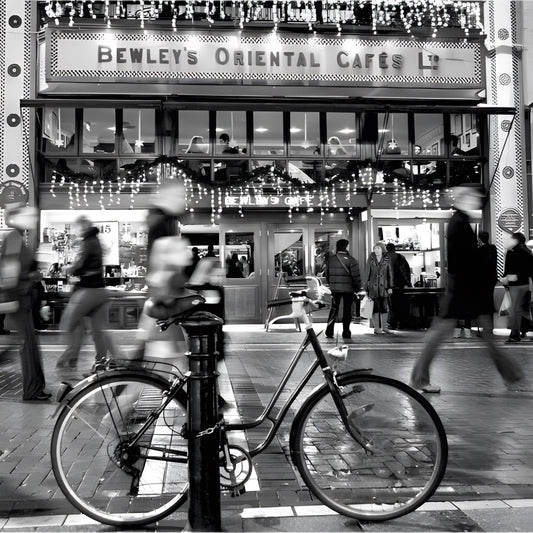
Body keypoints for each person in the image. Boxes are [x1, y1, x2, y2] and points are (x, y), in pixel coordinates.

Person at [410, 185, 524, 393]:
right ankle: (420, 378)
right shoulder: (459, 223)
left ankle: (512, 376)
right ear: (463, 199)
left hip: (465, 291)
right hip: (464, 291)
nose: (477, 201)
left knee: (451, 335)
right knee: (452, 335)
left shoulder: (460, 222)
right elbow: (464, 261)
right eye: (473, 197)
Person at [55, 215, 117, 371]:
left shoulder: (88, 242)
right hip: (101, 291)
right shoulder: (96, 240)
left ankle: (71, 356)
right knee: (99, 331)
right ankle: (101, 362)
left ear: (82, 227)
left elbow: (80, 264)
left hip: (88, 291)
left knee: (68, 324)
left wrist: (68, 269)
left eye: (77, 227)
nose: (76, 231)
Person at [2, 205, 51, 400]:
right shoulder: (14, 238)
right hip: (18, 299)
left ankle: (34, 388)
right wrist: (33, 274)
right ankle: (32, 390)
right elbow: (9, 271)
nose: (31, 219)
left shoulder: (17, 237)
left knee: (27, 344)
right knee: (28, 346)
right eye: (27, 216)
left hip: (20, 298)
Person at [324, 239, 361, 340]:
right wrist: (357, 289)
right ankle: (346, 332)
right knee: (347, 310)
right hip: (348, 290)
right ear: (346, 247)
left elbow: (327, 274)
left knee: (334, 309)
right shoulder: (351, 260)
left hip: (335, 289)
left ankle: (329, 331)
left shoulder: (331, 260)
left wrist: (331, 285)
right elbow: (356, 277)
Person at [501, 232, 533, 343]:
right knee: (521, 309)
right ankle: (516, 333)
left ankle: (514, 334)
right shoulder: (528, 252)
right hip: (526, 284)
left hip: (515, 285)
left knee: (514, 310)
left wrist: (505, 281)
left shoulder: (511, 252)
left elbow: (508, 270)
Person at [366, 243, 393, 335]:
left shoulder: (387, 259)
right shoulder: (371, 259)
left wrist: (390, 287)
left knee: (385, 308)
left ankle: (385, 327)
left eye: (378, 248)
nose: (376, 250)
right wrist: (366, 287)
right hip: (373, 287)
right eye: (375, 248)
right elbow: (367, 274)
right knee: (375, 308)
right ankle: (377, 328)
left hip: (384, 287)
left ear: (382, 249)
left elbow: (390, 274)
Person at [476, 231, 498, 336]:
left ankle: (484, 329)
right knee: (489, 303)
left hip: (481, 281)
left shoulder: (479, 251)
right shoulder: (493, 248)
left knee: (482, 304)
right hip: (491, 280)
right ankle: (490, 328)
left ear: (479, 239)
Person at [385, 243, 411, 330]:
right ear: (394, 248)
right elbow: (404, 271)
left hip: (388, 286)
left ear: (386, 249)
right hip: (399, 286)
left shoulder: (383, 258)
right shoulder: (399, 257)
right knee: (401, 305)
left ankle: (392, 323)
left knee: (391, 306)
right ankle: (401, 324)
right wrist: (407, 283)